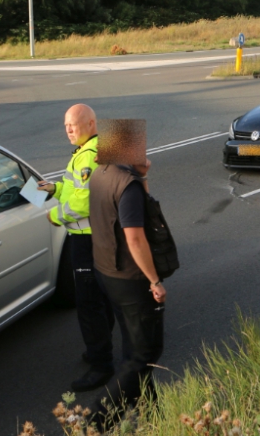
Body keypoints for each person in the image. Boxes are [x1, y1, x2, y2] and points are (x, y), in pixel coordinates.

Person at [38, 104, 116, 392]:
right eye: (65, 125)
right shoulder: (97, 148)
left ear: (91, 123)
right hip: (100, 236)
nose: (68, 130)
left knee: (88, 303)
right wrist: (55, 189)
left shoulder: (88, 155)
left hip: (86, 237)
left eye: (73, 124)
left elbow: (83, 203)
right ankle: (101, 346)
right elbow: (77, 190)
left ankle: (101, 364)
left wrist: (54, 215)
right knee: (102, 297)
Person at [87, 154, 166, 428]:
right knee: (145, 354)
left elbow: (140, 208)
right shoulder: (127, 184)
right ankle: (94, 423)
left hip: (106, 271)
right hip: (131, 279)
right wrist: (154, 281)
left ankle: (154, 419)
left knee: (134, 352)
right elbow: (134, 236)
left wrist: (142, 175)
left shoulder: (100, 174)